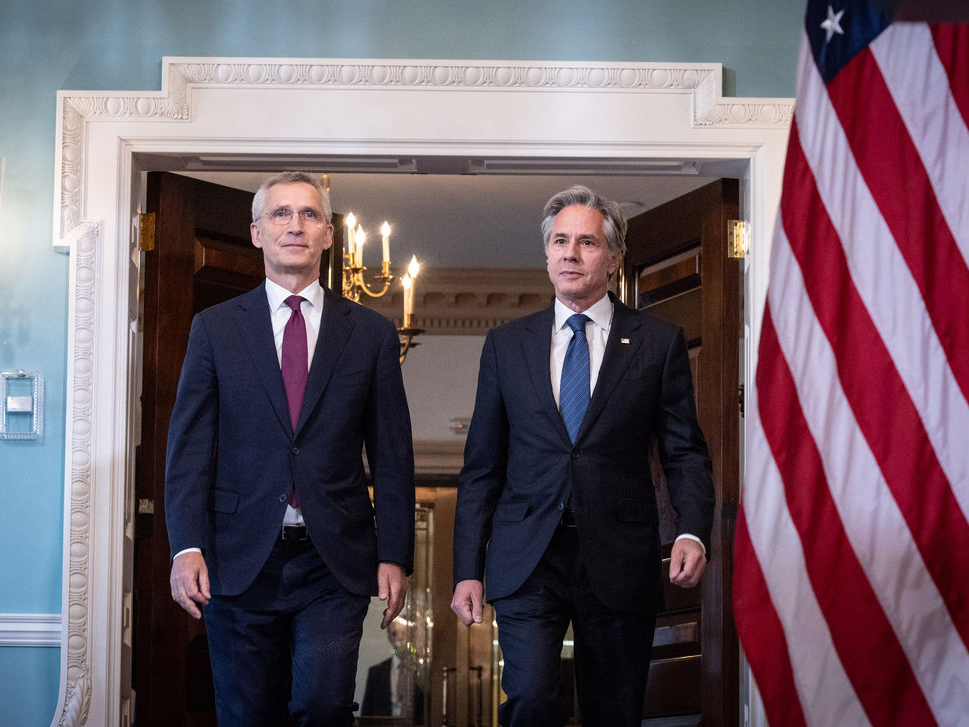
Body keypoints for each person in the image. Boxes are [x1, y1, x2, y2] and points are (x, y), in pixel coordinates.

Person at [450, 185, 715, 727]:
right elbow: (482, 468)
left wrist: (692, 530)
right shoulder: (506, 345)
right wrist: (466, 570)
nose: (570, 253)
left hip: (618, 556)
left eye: (587, 242)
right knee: (529, 700)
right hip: (528, 556)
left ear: (614, 258)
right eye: (560, 241)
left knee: (614, 711)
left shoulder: (658, 342)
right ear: (546, 253)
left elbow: (684, 450)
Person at [165, 171, 416, 726]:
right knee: (247, 713)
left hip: (335, 559)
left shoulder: (371, 333)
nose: (295, 225)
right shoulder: (215, 328)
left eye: (309, 215)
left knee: (324, 708)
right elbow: (187, 450)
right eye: (281, 214)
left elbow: (393, 455)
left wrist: (395, 551)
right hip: (237, 557)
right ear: (256, 232)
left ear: (329, 234)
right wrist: (185, 547)